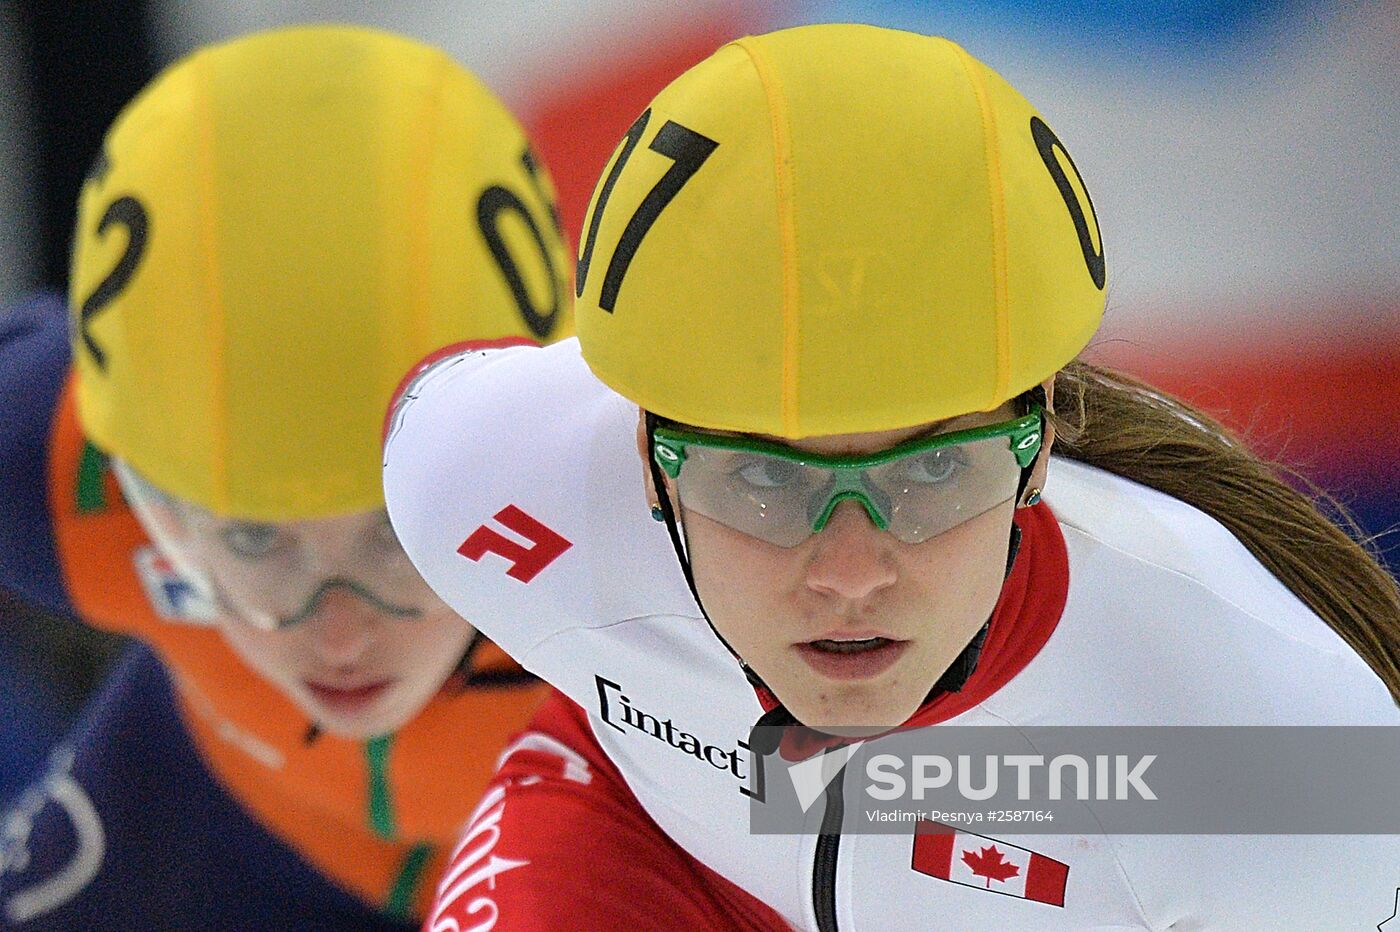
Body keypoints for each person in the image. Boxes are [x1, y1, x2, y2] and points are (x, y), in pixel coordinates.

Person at [383, 23, 1400, 931]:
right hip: (652, 860)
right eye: (760, 480)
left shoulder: (1280, 779)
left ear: (1038, 445)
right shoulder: (482, 483)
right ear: (646, 458)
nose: (850, 573)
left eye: (935, 473)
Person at [0, 25, 571, 929]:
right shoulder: (57, 481)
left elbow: (872, 808)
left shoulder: (691, 541)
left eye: (395, 534)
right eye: (254, 534)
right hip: (213, 816)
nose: (338, 636)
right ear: (146, 495)